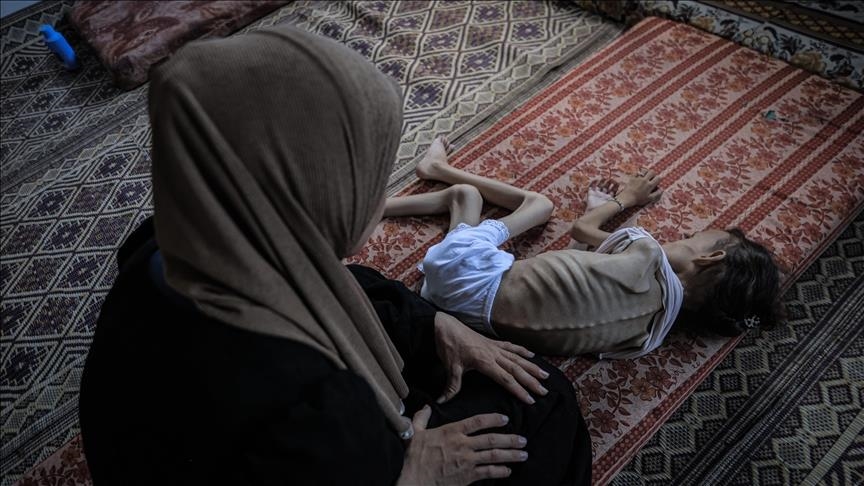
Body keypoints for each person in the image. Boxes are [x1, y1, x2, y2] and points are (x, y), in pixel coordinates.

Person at [78, 26, 592, 486]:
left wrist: (435, 324)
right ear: (311, 188)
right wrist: (418, 473)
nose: (377, 195)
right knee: (541, 408)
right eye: (364, 174)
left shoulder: (170, 243)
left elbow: (345, 285)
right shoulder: (305, 395)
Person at [384, 137, 783, 358]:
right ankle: (447, 197)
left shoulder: (646, 252)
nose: (686, 237)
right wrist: (594, 210)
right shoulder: (645, 338)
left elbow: (582, 230)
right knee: (474, 220)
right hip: (460, 318)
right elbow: (578, 272)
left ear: (710, 256)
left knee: (531, 204)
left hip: (462, 275)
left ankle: (429, 175)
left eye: (698, 237)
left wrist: (624, 199)